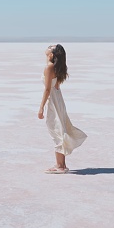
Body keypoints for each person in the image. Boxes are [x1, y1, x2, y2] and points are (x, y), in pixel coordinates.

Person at [38, 44, 87, 174]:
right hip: (58, 99)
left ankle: (60, 166)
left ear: (52, 54)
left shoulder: (49, 67)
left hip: (54, 101)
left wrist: (41, 107)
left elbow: (48, 89)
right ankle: (62, 165)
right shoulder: (55, 67)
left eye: (50, 47)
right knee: (59, 130)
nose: (47, 47)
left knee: (56, 131)